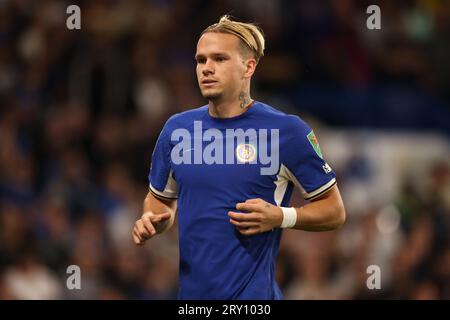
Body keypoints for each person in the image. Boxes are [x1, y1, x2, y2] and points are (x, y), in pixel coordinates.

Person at [132, 15, 346, 300]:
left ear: (249, 67)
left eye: (219, 59)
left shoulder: (286, 131)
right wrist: (152, 217)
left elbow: (334, 210)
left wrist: (282, 216)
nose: (206, 69)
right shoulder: (177, 130)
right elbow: (159, 199)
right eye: (201, 60)